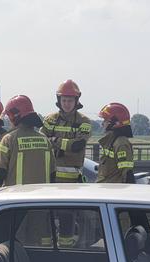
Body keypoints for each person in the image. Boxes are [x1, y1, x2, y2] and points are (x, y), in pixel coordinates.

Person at [41, 80, 92, 246]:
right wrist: (64, 143)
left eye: (70, 100)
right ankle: (46, 249)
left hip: (72, 181)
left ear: (76, 101)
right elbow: (42, 141)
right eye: (64, 100)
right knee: (46, 218)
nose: (67, 104)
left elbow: (78, 146)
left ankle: (66, 249)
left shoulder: (84, 121)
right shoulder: (50, 119)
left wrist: (55, 140)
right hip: (51, 179)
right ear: (59, 100)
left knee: (67, 218)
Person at [0, 95, 55, 188]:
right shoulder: (45, 140)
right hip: (42, 198)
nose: (9, 121)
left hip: (16, 199)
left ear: (14, 116)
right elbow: (53, 173)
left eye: (9, 117)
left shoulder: (8, 139)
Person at [97, 103, 135, 183]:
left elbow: (127, 173)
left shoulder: (121, 143)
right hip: (105, 189)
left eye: (105, 120)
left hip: (113, 191)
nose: (102, 124)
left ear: (116, 123)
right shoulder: (111, 141)